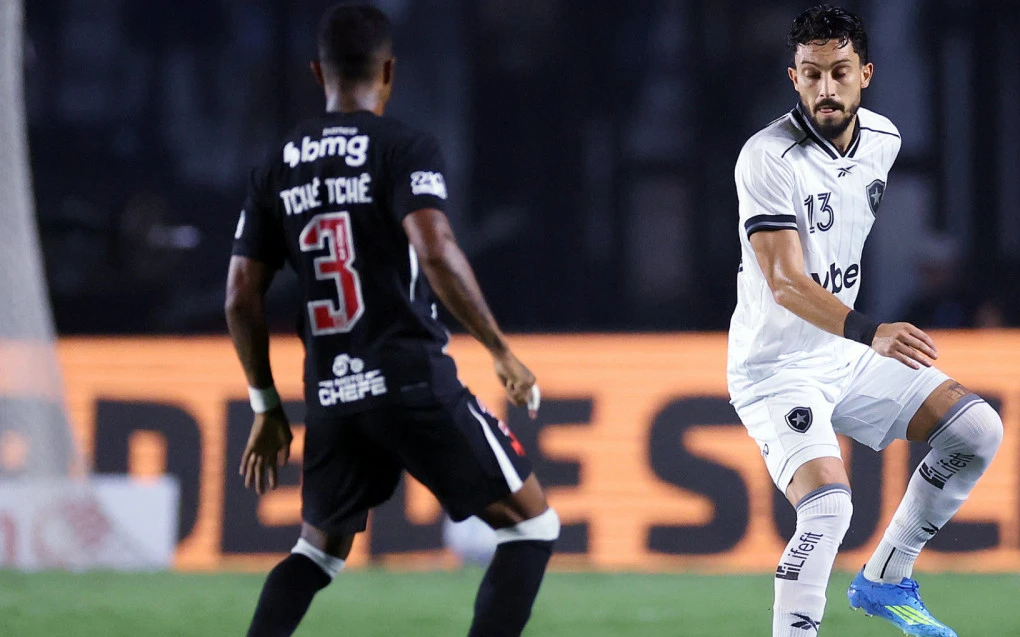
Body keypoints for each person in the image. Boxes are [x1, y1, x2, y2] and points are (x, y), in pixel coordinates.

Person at [225, 5, 558, 636]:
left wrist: (266, 406)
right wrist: (499, 349)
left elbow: (240, 296)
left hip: (332, 393)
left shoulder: (277, 165)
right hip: (409, 381)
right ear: (388, 72)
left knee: (315, 553)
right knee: (532, 525)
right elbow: (436, 250)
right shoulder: (402, 147)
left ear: (318, 72)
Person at [727, 5, 1002, 637]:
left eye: (839, 72)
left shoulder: (884, 139)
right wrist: (871, 331)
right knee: (828, 509)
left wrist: (858, 338)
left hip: (842, 355)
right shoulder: (767, 157)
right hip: (775, 368)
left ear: (866, 74)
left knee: (976, 431)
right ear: (793, 77)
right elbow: (785, 282)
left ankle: (885, 579)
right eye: (811, 73)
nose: (826, 88)